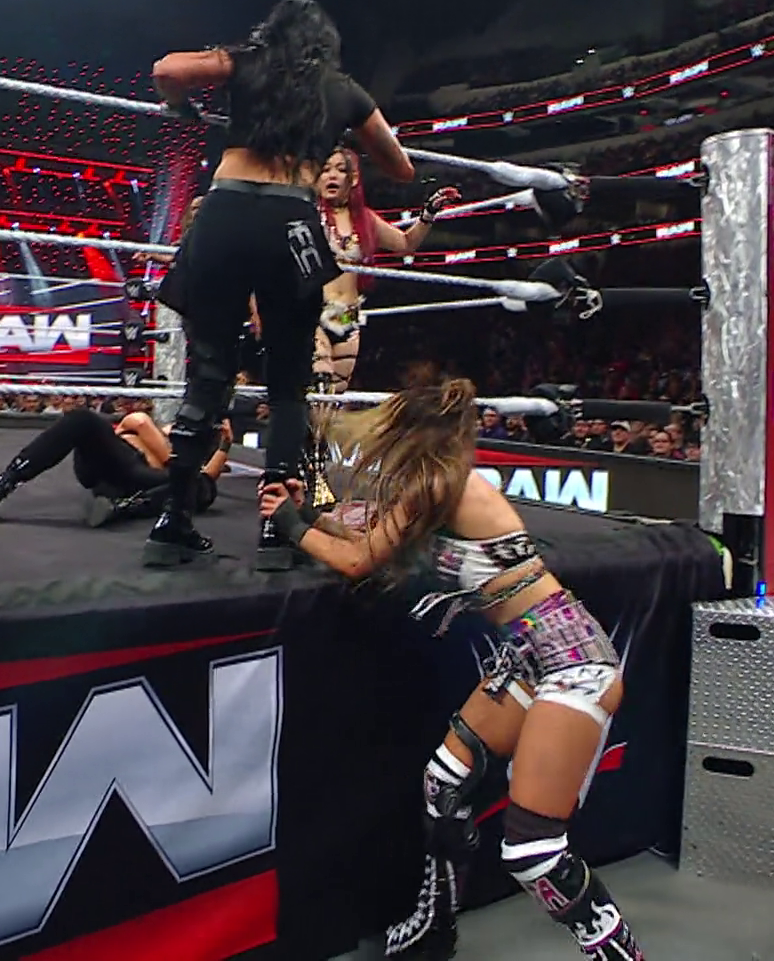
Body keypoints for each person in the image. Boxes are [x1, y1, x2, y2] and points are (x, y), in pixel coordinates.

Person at [257, 379, 646, 961]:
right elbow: (358, 529)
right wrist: (305, 510)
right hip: (528, 658)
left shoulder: (443, 485)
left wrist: (291, 524)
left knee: (534, 851)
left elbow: (359, 559)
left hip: (572, 661)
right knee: (443, 783)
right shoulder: (430, 485)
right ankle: (433, 928)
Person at [148, 0, 414, 569]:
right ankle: (278, 528)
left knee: (208, 374)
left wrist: (182, 108)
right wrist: (337, 133)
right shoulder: (340, 88)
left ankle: (173, 521)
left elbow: (167, 70)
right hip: (290, 221)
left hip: (222, 214)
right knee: (289, 384)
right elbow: (401, 166)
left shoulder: (246, 61)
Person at [312, 146, 458, 395]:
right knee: (318, 381)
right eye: (325, 170)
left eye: (340, 170)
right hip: (314, 313)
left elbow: (405, 244)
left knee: (333, 397)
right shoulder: (309, 215)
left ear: (353, 178)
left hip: (347, 316)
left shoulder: (365, 220)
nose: (332, 175)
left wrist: (428, 214)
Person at [0, 409, 232, 528]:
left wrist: (224, 446)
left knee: (199, 488)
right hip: (121, 463)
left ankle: (122, 506)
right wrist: (176, 463)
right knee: (81, 419)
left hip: (138, 479)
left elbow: (206, 481)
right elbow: (137, 421)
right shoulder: (166, 433)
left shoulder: (194, 451)